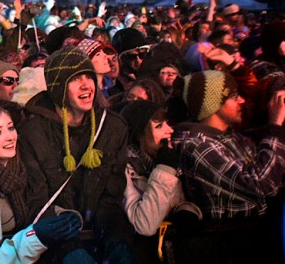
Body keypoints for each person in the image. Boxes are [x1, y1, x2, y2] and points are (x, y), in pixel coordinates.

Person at [18, 45, 133, 263]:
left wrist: (117, 242)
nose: (86, 85)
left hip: (100, 234)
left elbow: (111, 197)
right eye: (75, 79)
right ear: (58, 87)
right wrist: (70, 250)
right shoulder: (32, 133)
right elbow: (37, 202)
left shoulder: (113, 128)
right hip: (56, 243)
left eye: (89, 77)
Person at [172, 70, 285, 262]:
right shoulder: (198, 147)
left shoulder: (231, 137)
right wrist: (275, 126)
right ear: (214, 105)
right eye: (234, 97)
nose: (242, 100)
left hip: (258, 240)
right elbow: (261, 185)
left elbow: (274, 177)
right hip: (234, 247)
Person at [0, 104, 82, 263]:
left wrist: (60, 218)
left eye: (11, 128)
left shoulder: (16, 172)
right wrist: (35, 237)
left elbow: (33, 211)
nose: (10, 137)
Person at [119, 100, 201, 263]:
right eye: (159, 126)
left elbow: (176, 202)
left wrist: (187, 211)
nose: (170, 130)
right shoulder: (123, 169)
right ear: (139, 136)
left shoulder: (162, 159)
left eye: (167, 123)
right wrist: (164, 169)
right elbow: (144, 225)